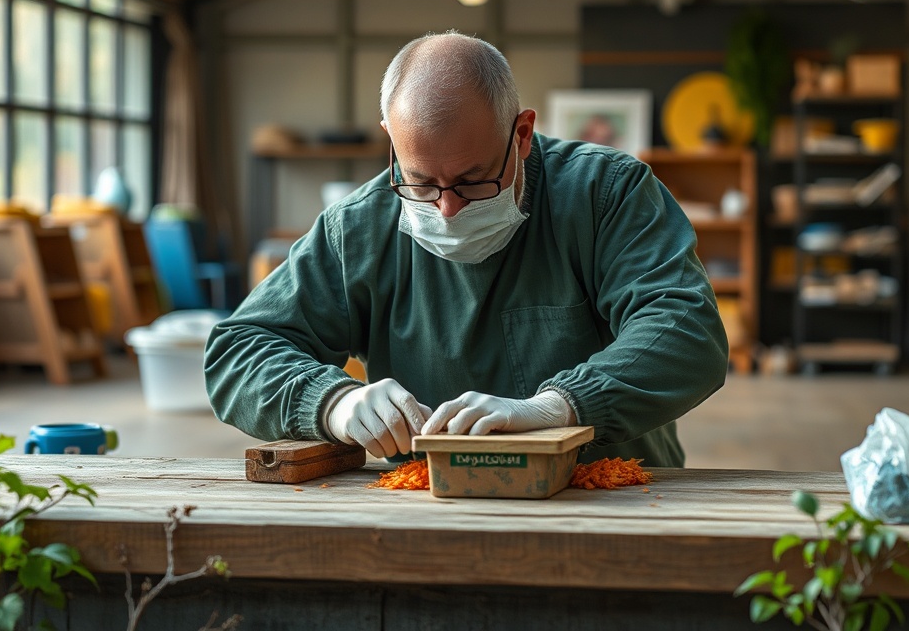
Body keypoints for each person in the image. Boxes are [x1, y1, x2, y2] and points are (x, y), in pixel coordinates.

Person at [205, 31, 727, 467]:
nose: (447, 209)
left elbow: (687, 332)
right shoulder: (359, 229)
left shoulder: (606, 195)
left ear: (522, 134)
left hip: (611, 495)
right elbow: (239, 352)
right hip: (429, 506)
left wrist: (561, 406)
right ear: (392, 142)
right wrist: (333, 402)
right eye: (421, 183)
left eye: (475, 181)